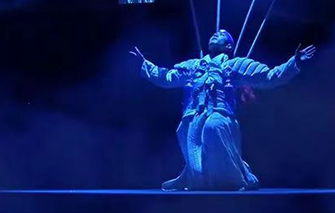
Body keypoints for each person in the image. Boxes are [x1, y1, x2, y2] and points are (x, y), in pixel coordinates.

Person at [134, 30, 316, 191]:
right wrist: (145, 64)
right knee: (189, 144)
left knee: (212, 127)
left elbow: (269, 77)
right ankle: (200, 180)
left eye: (222, 35)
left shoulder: (235, 65)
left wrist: (294, 62)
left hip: (220, 115)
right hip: (193, 117)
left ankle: (233, 179)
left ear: (229, 46)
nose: (215, 34)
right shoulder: (193, 66)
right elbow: (167, 77)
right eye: (215, 34)